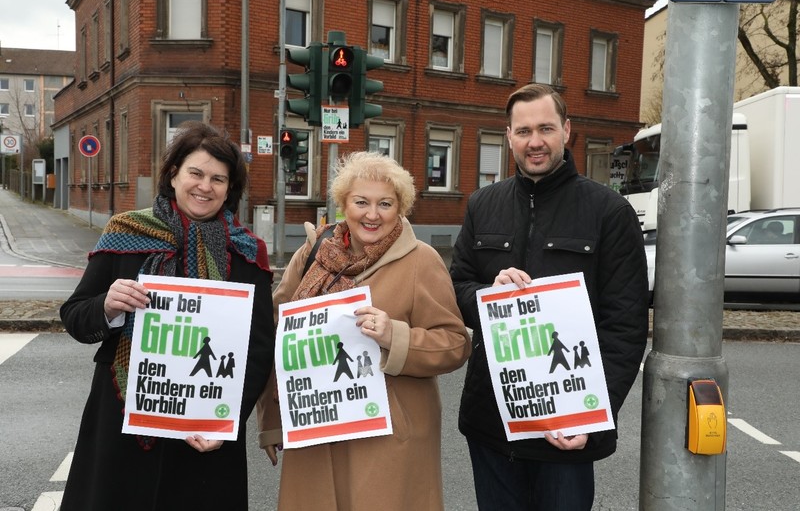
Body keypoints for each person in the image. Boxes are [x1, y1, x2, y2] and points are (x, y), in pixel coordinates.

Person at [450, 83, 649, 510]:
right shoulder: (482, 205)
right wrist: (489, 293)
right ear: (509, 137)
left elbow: (625, 328)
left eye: (545, 128)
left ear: (567, 131)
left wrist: (596, 415)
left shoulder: (610, 213)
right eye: (523, 131)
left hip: (566, 427)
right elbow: (456, 289)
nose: (534, 141)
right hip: (492, 422)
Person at [59, 121, 275, 511]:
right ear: (174, 174)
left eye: (218, 179)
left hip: (204, 429)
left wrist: (227, 422)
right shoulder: (126, 233)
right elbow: (75, 316)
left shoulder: (247, 253)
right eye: (196, 172)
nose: (204, 186)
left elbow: (259, 349)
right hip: (123, 418)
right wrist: (106, 307)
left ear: (230, 189)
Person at [257, 151, 471, 510]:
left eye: (385, 203)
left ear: (400, 207)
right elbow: (278, 336)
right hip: (316, 432)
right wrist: (273, 421)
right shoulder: (311, 255)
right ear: (344, 204)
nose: (372, 214)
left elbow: (454, 343)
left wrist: (394, 337)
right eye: (361, 202)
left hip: (388, 440)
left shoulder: (422, 260)